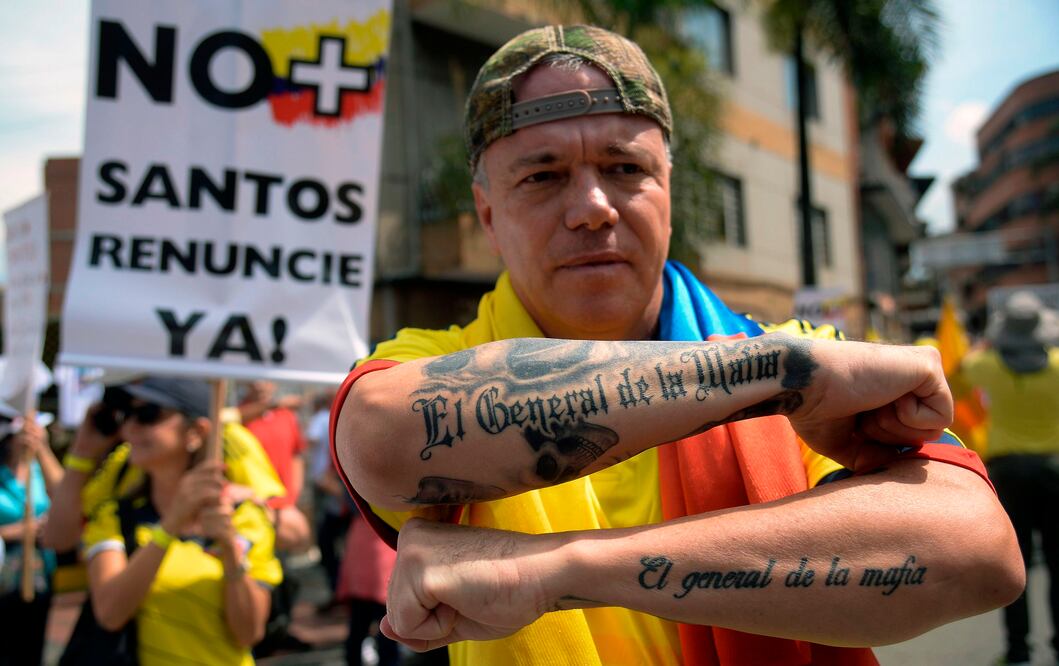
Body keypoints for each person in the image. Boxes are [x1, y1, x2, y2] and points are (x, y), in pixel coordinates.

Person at [330, 24, 1024, 665]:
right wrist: (779, 374)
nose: (591, 208)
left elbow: (978, 550)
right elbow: (381, 443)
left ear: (666, 188)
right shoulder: (797, 369)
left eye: (624, 168)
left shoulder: (804, 354)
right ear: (487, 212)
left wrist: (555, 570)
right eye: (541, 177)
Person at [79, 376, 281, 665]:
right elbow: (110, 613)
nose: (130, 428)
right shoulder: (114, 516)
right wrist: (171, 524)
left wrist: (228, 547)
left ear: (196, 431)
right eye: (127, 415)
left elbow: (248, 633)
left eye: (148, 414)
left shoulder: (245, 516)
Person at [958, 291, 1059, 666]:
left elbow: (956, 375)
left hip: (1007, 472)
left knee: (1017, 565)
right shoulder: (1058, 365)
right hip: (1053, 469)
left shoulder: (986, 365)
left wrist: (986, 343)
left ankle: (1018, 649)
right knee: (1056, 562)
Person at [0, 409, 62, 665]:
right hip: (3, 574)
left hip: (40, 575)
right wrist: (16, 532)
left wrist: (43, 450)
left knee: (31, 649)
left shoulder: (39, 468)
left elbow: (64, 496)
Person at [238, 381, 311, 551]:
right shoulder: (239, 416)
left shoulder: (286, 416)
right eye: (255, 379)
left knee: (296, 539)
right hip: (253, 505)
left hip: (283, 505)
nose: (260, 385)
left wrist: (292, 496)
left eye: (266, 380)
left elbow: (296, 455)